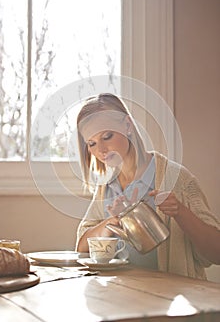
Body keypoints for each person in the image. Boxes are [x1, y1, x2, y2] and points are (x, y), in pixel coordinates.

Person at [75, 93, 220, 280]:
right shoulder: (106, 188)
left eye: (107, 136)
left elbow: (216, 253)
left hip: (171, 298)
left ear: (128, 126)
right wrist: (111, 222)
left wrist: (180, 212)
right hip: (121, 296)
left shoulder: (177, 180)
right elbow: (81, 247)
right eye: (92, 143)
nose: (100, 150)